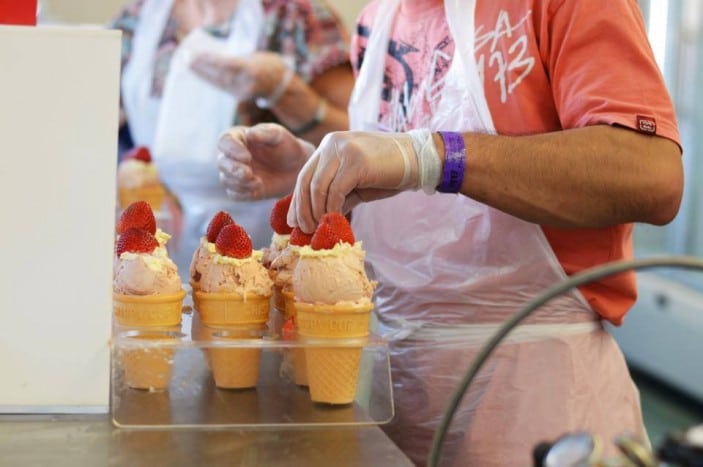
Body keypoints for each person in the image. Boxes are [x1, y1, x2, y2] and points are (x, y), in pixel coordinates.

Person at [216, 0, 683, 465]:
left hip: (537, 405)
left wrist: (436, 156)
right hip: (399, 398)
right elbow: (420, 202)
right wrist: (321, 174)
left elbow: (652, 177)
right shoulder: (378, 19)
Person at [112, 0, 353, 274]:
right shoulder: (139, 17)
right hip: (157, 252)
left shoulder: (296, 16)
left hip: (271, 253)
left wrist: (282, 91)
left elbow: (356, 139)